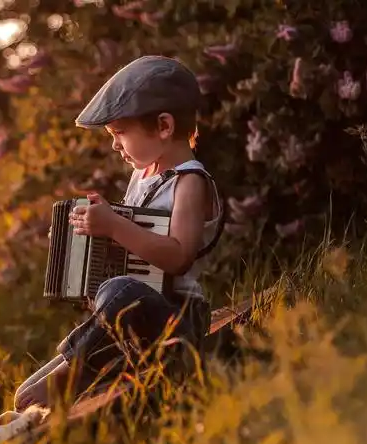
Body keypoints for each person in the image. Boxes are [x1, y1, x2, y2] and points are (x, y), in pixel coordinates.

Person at [14, 55, 225, 411]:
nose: (114, 145)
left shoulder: (191, 182)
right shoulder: (141, 177)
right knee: (28, 390)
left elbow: (177, 256)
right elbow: (130, 251)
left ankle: (73, 375)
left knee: (122, 291)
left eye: (119, 133)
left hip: (177, 317)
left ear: (163, 126)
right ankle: (75, 370)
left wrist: (114, 225)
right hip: (136, 313)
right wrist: (85, 238)